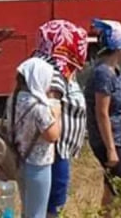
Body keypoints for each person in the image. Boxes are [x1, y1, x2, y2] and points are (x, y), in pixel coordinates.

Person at [34, 20, 89, 218]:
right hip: (51, 153)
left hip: (58, 150)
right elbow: (48, 116)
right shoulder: (54, 73)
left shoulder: (59, 70)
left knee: (49, 206)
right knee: (49, 209)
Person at [4, 56, 61, 218]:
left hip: (19, 160)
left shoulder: (13, 100)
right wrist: (56, 114)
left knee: (26, 208)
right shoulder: (40, 108)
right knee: (37, 212)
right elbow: (53, 135)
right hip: (38, 164)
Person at [86, 19, 121, 214]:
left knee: (111, 185)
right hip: (109, 139)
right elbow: (101, 112)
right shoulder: (103, 74)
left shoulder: (116, 72)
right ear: (119, 48)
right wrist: (110, 149)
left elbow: (113, 105)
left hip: (120, 135)